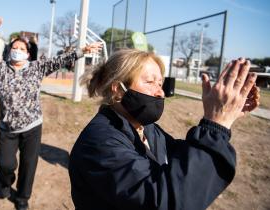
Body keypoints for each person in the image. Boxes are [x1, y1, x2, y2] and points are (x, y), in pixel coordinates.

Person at [68, 49, 260, 210]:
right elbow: (163, 200)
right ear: (118, 89)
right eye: (150, 82)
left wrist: (225, 116)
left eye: (160, 83)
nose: (160, 92)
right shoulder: (99, 143)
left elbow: (182, 160)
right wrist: (216, 123)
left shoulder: (147, 128)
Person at [0, 18, 102, 210]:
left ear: (28, 54)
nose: (17, 50)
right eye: (14, 47)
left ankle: (23, 198)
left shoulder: (36, 68)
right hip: (7, 129)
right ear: (9, 50)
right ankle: (6, 181)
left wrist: (83, 51)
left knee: (28, 165)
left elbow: (60, 60)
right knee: (5, 164)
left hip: (32, 127)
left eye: (22, 48)